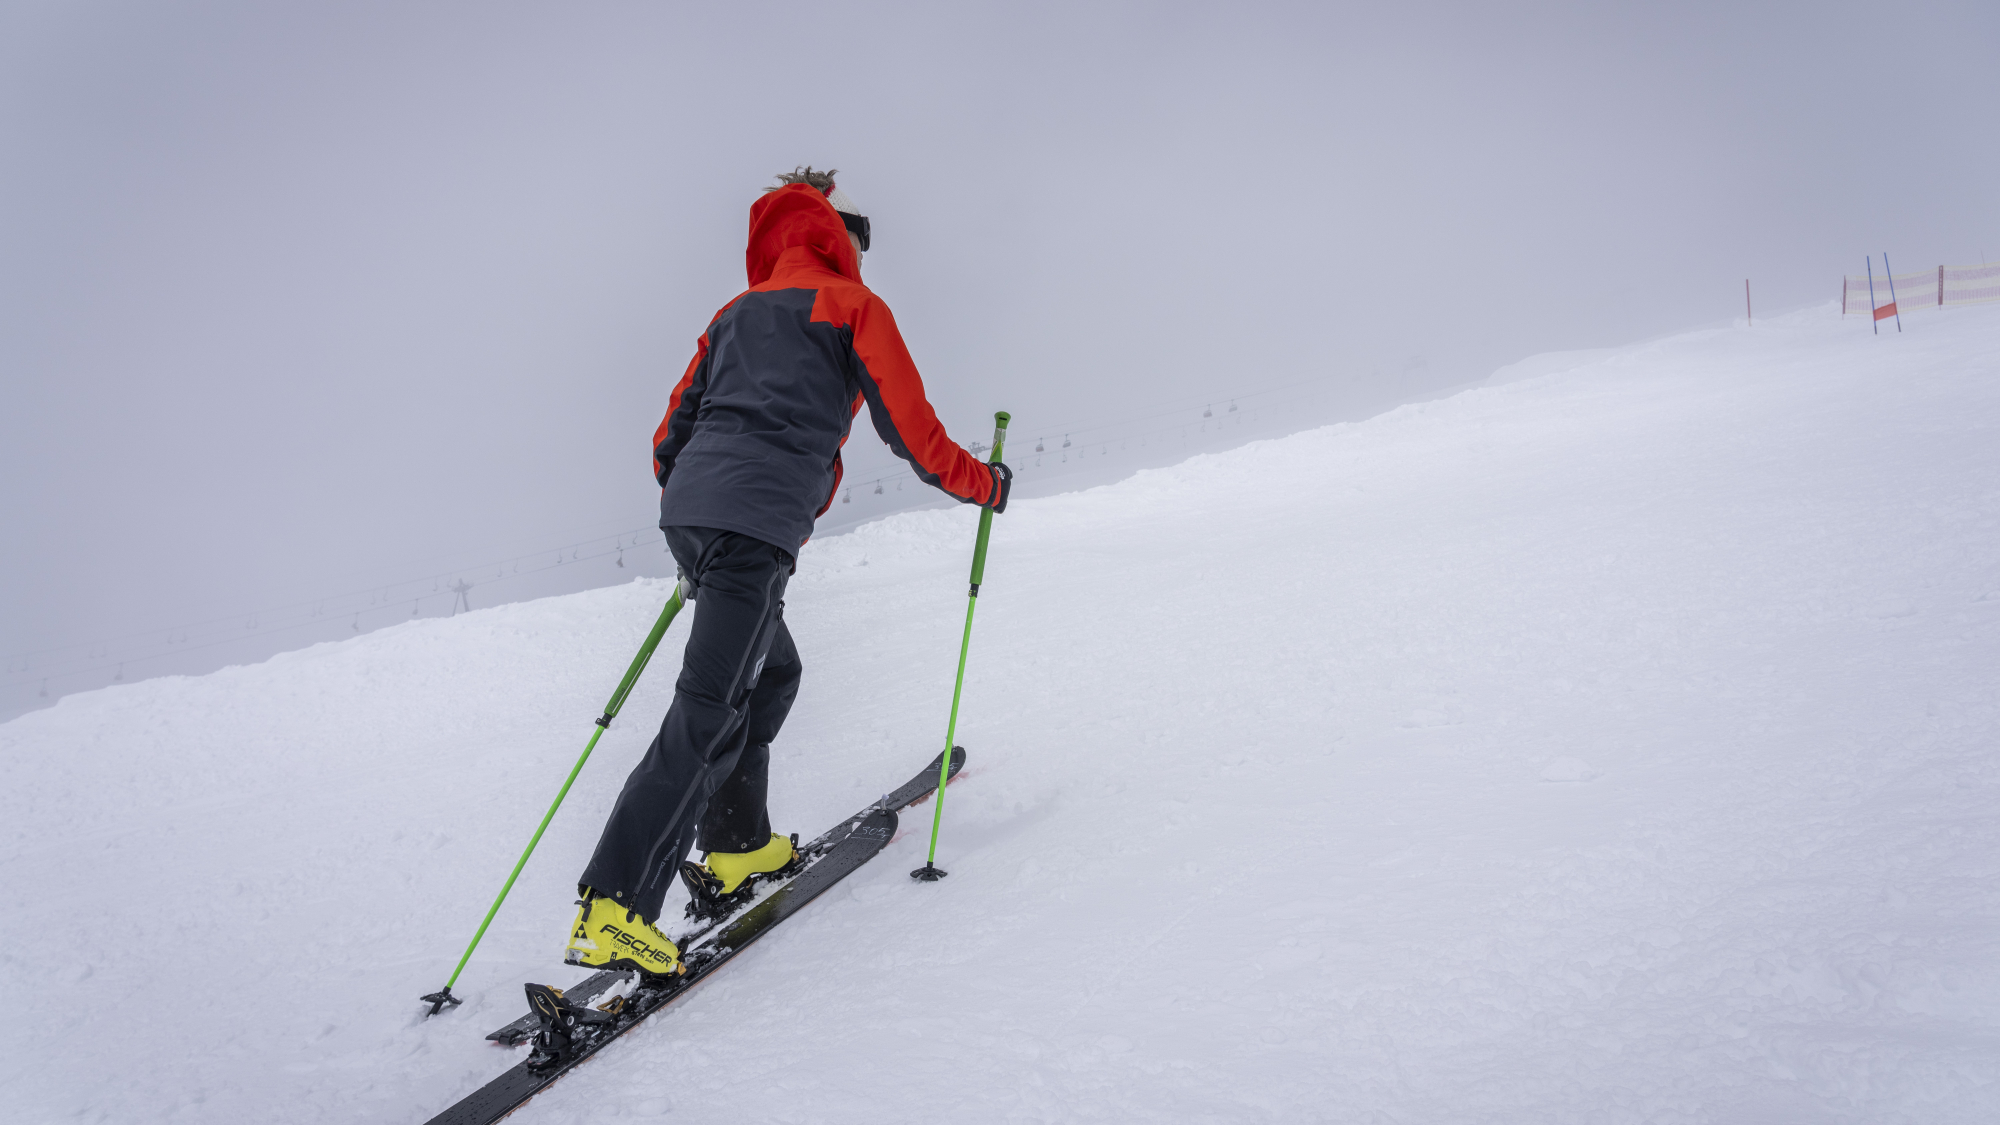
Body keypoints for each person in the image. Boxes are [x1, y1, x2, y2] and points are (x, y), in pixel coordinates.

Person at [564, 167, 1011, 977]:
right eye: (858, 238)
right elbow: (912, 432)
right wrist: (986, 485)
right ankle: (613, 907)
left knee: (771, 672)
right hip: (751, 525)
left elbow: (672, 431)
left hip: (701, 515)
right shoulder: (852, 306)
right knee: (705, 711)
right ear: (842, 240)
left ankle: (736, 845)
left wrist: (702, 512)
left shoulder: (736, 312)